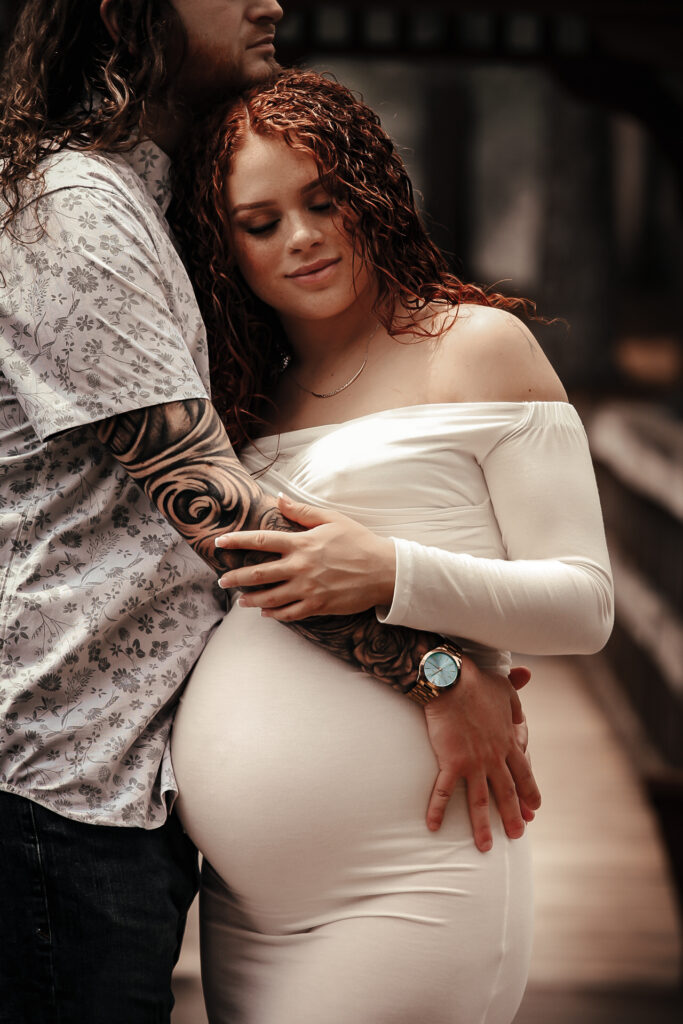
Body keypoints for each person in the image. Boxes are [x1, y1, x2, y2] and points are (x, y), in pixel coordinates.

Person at [0, 5, 541, 1022]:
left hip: (111, 807)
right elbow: (215, 507)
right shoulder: (70, 207)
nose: (271, 0)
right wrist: (432, 667)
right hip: (50, 799)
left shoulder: (142, 194)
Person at [169, 70, 615, 1024]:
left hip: (412, 876)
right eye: (261, 221)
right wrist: (442, 665)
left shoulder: (475, 345)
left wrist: (392, 572)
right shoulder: (243, 404)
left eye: (324, 200)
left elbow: (583, 604)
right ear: (227, 245)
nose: (302, 236)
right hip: (245, 904)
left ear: (371, 194)